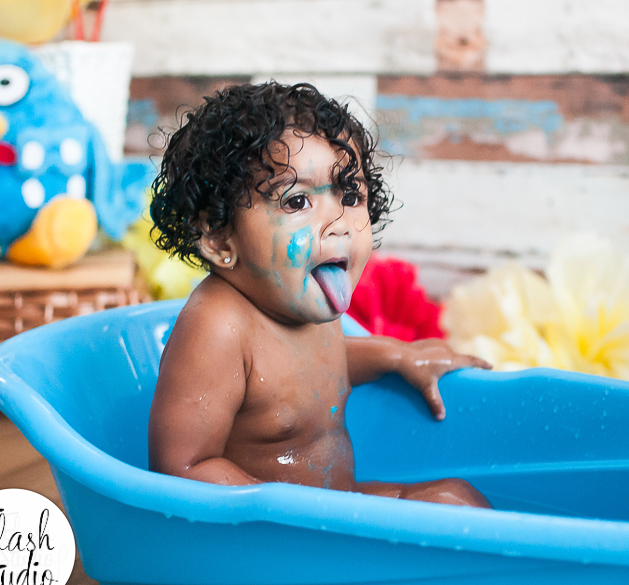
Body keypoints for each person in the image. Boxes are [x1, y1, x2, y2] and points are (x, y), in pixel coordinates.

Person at [147, 82, 491, 508]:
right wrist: (287, 514)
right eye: (296, 202)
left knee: (453, 498)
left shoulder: (298, 306)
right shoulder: (218, 327)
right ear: (219, 238)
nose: (340, 223)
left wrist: (398, 357)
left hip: (332, 506)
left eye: (349, 195)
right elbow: (181, 467)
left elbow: (318, 367)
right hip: (273, 536)